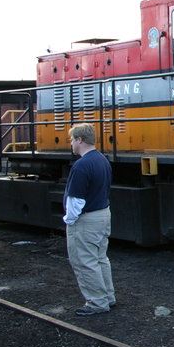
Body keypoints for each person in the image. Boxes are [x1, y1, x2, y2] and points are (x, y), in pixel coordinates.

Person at [63, 123, 116, 316]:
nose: (71, 144)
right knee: (101, 258)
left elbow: (76, 200)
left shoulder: (81, 165)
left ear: (79, 140)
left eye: (71, 140)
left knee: (84, 261)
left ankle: (97, 303)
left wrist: (69, 221)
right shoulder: (102, 159)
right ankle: (108, 297)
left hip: (87, 219)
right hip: (103, 214)